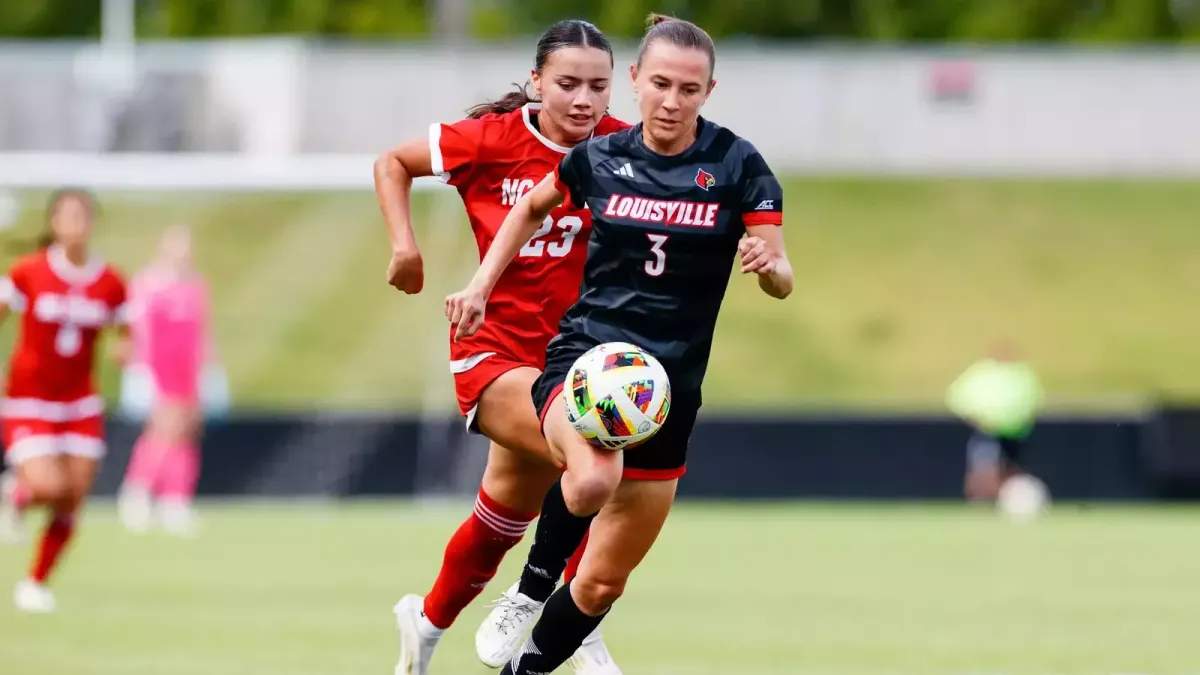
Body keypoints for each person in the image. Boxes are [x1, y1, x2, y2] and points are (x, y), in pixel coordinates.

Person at [445, 14, 794, 674]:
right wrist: (482, 284)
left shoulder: (737, 165)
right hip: (584, 358)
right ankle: (527, 587)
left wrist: (767, 265)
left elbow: (781, 275)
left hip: (670, 391)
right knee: (594, 472)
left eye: (689, 89)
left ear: (709, 92)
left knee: (603, 584)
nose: (671, 100)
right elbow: (529, 208)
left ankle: (535, 660)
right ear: (634, 80)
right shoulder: (599, 157)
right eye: (659, 83)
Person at [374, 19, 630, 675]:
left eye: (597, 86)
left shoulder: (622, 149)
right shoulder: (491, 140)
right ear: (536, 80)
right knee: (588, 449)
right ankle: (579, 633)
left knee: (501, 521)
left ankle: (424, 627)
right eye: (567, 83)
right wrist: (405, 246)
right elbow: (392, 163)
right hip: (491, 353)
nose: (583, 99)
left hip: (572, 356)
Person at [0, 189, 129, 613]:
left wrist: (125, 349)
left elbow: (126, 326)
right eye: (67, 215)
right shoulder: (29, 272)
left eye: (83, 215)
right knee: (46, 485)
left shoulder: (109, 282)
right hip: (28, 399)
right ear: (52, 223)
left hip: (79, 403)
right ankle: (14, 494)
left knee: (73, 494)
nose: (76, 223)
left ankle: (35, 583)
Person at [116, 225, 216, 536]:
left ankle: (176, 499)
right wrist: (141, 369)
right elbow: (138, 329)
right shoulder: (148, 283)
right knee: (163, 430)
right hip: (158, 367)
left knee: (187, 432)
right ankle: (137, 493)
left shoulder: (197, 286)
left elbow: (202, 332)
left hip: (188, 370)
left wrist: (208, 368)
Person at [947, 341, 1044, 503]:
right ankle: (982, 500)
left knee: (1011, 468)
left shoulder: (1021, 374)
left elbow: (1035, 399)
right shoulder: (981, 373)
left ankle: (1010, 499)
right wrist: (977, 419)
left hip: (1015, 432)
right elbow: (957, 397)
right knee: (984, 467)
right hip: (987, 430)